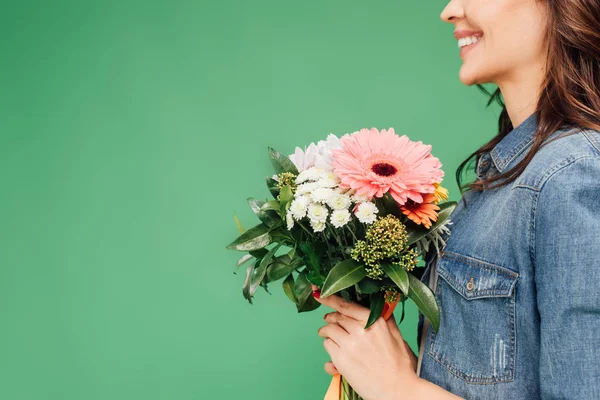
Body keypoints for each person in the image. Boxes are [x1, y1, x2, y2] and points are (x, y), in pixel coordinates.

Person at [311, 0, 600, 398]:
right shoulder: (506, 177)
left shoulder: (573, 176)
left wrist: (397, 388)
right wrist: (391, 368)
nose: (450, 10)